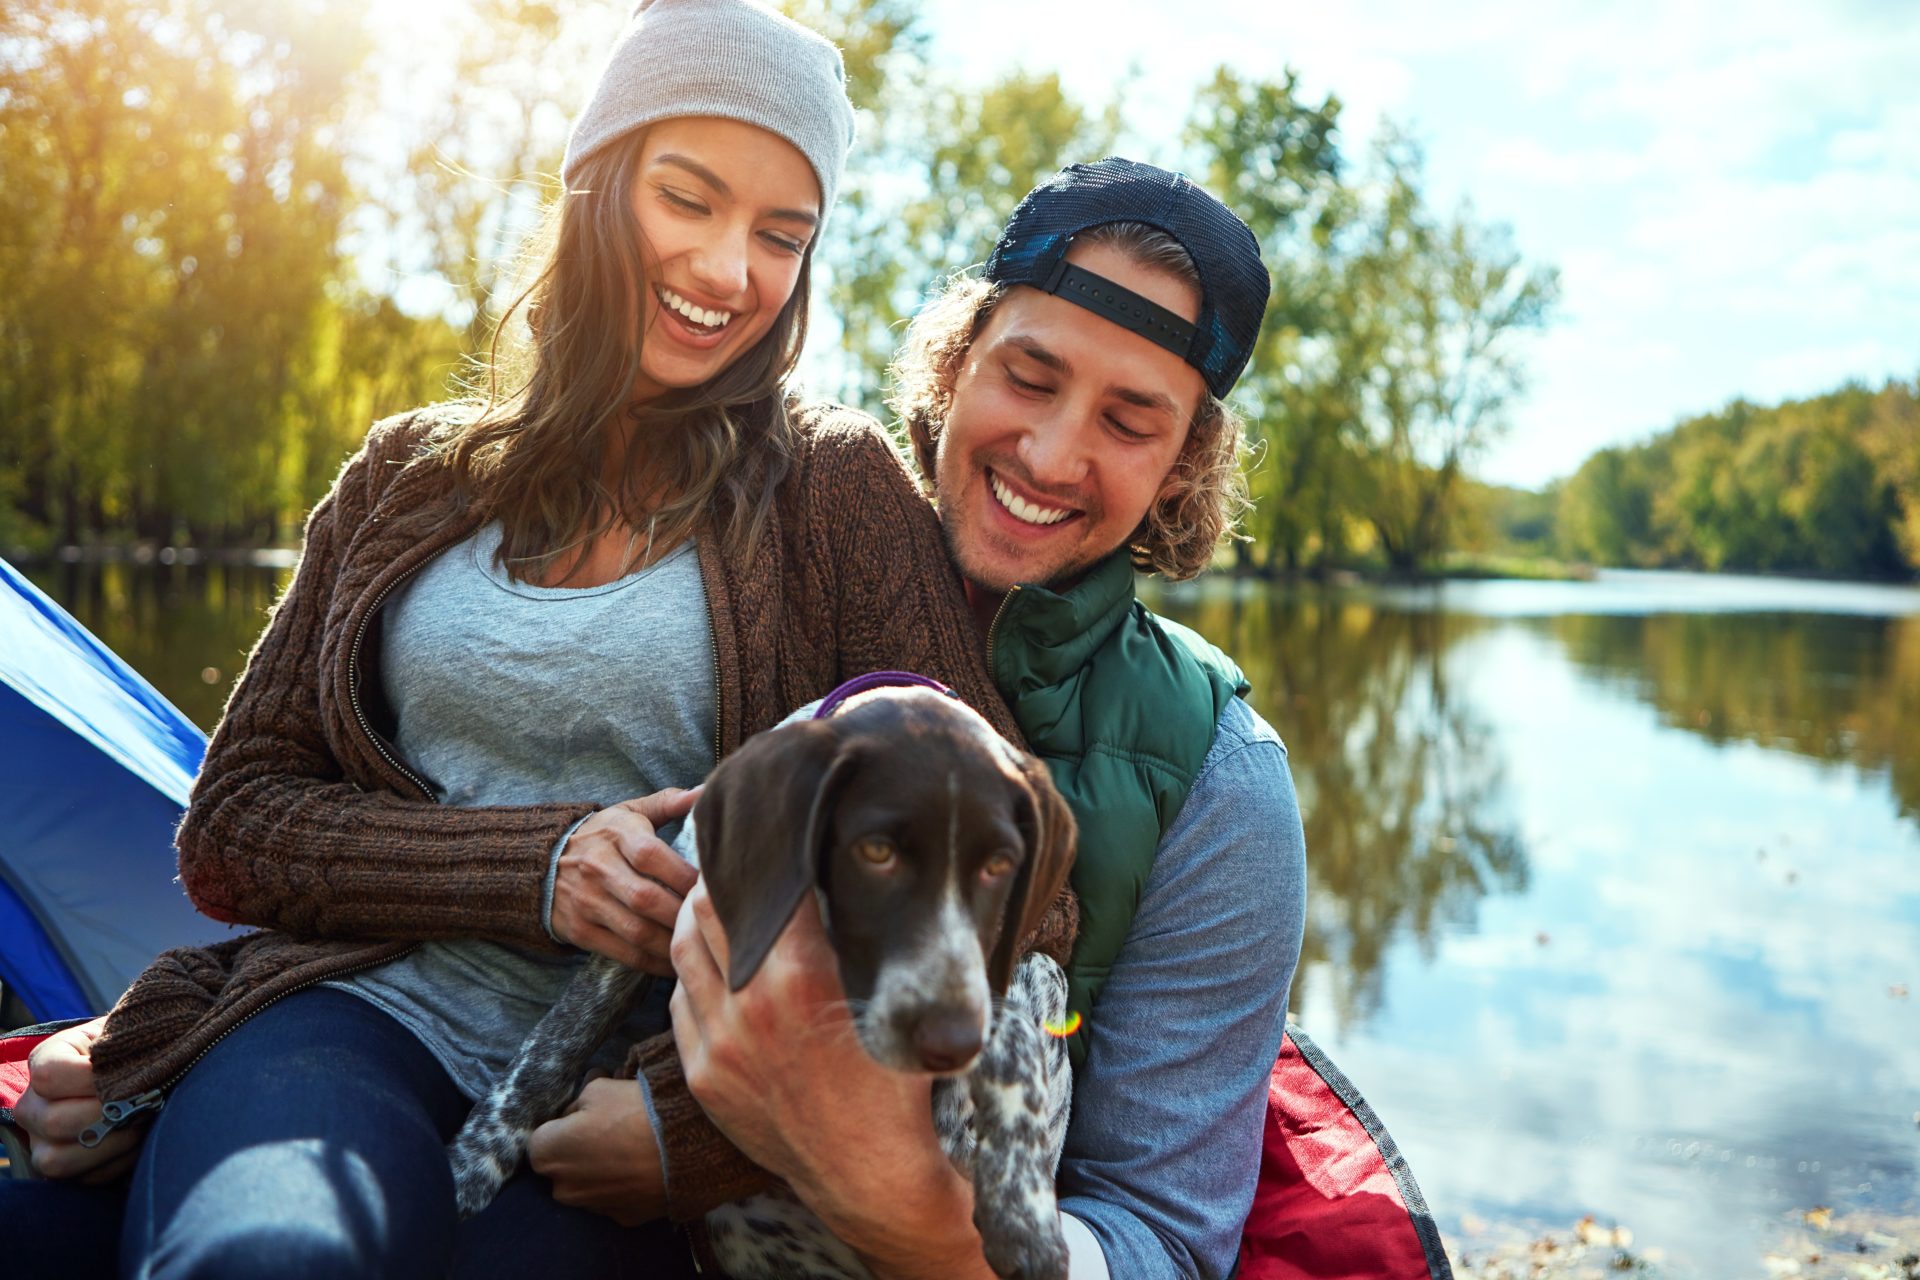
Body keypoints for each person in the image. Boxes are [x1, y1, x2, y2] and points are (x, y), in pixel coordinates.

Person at [0, 2, 1067, 1276]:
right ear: (597, 184)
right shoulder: (407, 474)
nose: (731, 269)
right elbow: (234, 825)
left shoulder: (833, 485)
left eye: (782, 235)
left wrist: (698, 1131)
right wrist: (535, 862)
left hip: (615, 1113)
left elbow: (1023, 892)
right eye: (690, 198)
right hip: (354, 1022)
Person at [530, 160, 1310, 1280]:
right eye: (1029, 376)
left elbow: (1165, 1239)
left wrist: (860, 1190)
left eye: (1131, 421)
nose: (1049, 455)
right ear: (954, 362)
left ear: (1185, 467)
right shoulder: (729, 572)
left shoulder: (1217, 782)